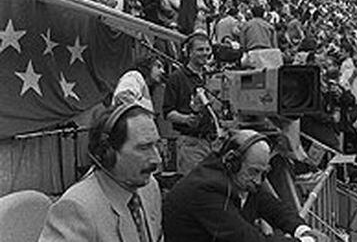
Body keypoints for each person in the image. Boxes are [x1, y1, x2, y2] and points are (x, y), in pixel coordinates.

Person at [163, 129, 327, 242]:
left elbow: (274, 208)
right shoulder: (205, 190)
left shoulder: (241, 178)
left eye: (263, 173)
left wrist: (302, 229)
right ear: (231, 162)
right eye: (254, 171)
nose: (257, 180)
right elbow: (246, 239)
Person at [38, 103, 163, 242]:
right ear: (108, 153)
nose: (157, 159)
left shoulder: (149, 188)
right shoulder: (77, 208)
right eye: (144, 148)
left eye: (156, 145)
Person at [163, 31, 215, 175]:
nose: (204, 53)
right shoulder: (177, 78)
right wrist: (186, 119)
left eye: (207, 49)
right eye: (200, 49)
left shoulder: (212, 76)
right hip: (191, 144)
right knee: (195, 187)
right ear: (189, 52)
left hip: (214, 143)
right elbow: (167, 113)